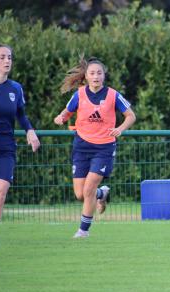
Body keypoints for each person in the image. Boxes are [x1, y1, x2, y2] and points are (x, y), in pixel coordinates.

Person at [54, 57, 135, 238]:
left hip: (104, 148)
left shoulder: (113, 95)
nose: (96, 76)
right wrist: (60, 118)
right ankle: (102, 193)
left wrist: (120, 129)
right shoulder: (79, 95)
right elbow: (66, 112)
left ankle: (83, 230)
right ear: (87, 76)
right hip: (81, 146)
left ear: (104, 75)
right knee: (80, 194)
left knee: (88, 189)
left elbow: (130, 115)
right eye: (92, 73)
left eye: (99, 73)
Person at [0, 44, 41, 258]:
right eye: (2, 57)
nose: (7, 61)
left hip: (5, 149)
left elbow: (21, 114)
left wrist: (30, 131)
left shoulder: (15, 88)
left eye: (9, 57)